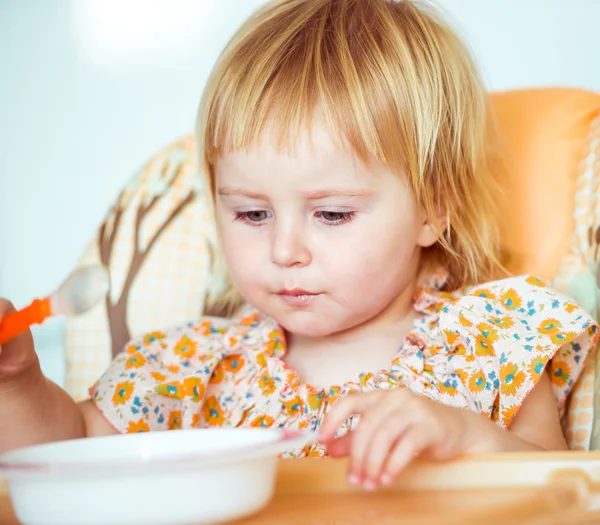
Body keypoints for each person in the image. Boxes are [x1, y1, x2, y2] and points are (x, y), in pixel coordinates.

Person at [0, 0, 597, 492]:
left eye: (332, 214)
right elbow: (62, 463)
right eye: (252, 212)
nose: (284, 249)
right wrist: (17, 381)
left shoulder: (490, 341)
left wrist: (467, 438)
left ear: (433, 208)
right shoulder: (189, 368)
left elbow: (560, 492)